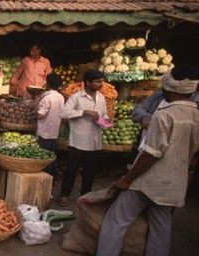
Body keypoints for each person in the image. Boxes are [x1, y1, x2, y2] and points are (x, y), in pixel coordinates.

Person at [97, 66, 199, 256]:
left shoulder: (165, 114)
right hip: (174, 183)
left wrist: (127, 179)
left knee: (116, 220)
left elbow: (151, 153)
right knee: (161, 228)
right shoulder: (196, 114)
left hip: (148, 181)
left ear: (169, 89)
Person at [58, 70, 109, 206]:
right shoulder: (76, 97)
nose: (101, 84)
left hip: (94, 142)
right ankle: (64, 195)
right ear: (87, 82)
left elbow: (105, 118)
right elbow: (63, 113)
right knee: (71, 170)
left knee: (90, 173)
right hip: (78, 141)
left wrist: (101, 119)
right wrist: (83, 112)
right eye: (98, 81)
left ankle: (85, 197)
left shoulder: (101, 98)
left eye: (101, 81)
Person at [36, 73, 65, 177]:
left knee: (44, 156)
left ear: (47, 84)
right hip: (54, 131)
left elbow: (41, 115)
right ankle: (54, 176)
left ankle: (46, 177)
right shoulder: (61, 97)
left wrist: (35, 108)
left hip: (44, 132)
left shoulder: (46, 97)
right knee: (52, 155)